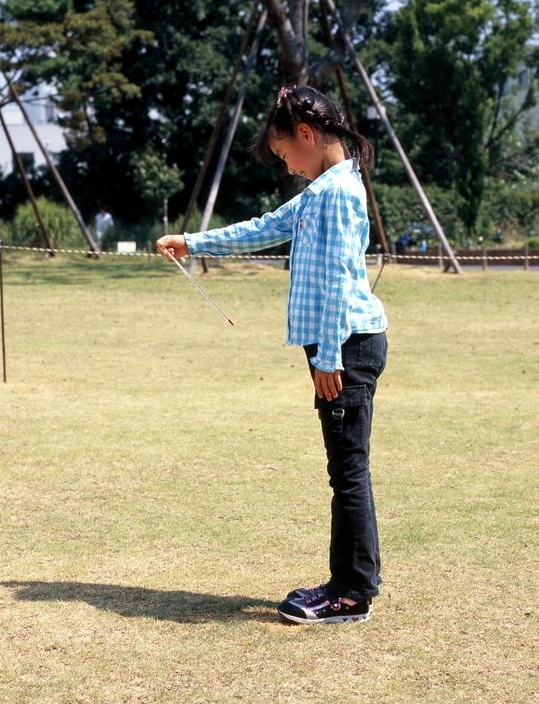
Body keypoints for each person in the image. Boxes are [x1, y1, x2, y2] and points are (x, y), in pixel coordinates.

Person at [156, 86, 388, 625]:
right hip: (337, 346)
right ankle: (348, 583)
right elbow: (264, 228)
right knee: (344, 468)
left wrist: (328, 357)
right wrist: (193, 242)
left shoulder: (338, 192)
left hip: (345, 347)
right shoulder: (320, 191)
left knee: (348, 471)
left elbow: (338, 281)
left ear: (307, 134)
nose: (289, 167)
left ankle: (351, 594)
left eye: (286, 155)